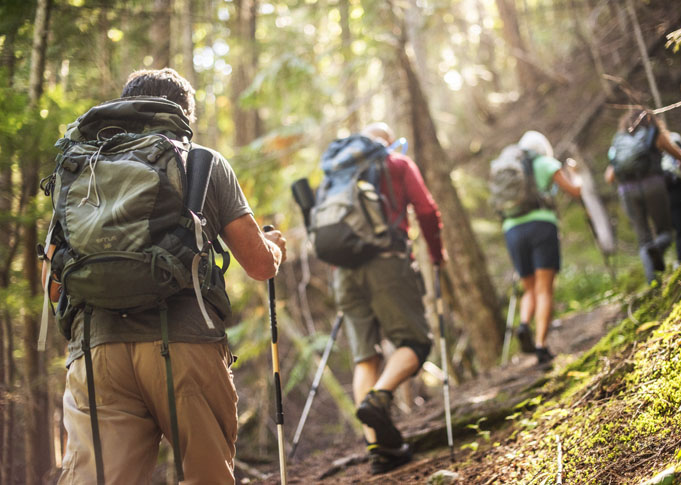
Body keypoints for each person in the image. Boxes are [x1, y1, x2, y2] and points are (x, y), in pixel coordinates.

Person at [43, 68, 287, 483]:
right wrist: (276, 248)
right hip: (184, 344)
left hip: (96, 348)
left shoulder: (82, 168)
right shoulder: (201, 161)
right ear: (185, 116)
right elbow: (259, 265)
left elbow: (52, 277)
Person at [332, 122, 444, 474]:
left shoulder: (340, 170)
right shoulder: (397, 164)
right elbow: (426, 210)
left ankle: (379, 449)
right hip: (388, 263)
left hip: (345, 270)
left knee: (366, 357)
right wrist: (437, 255)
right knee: (416, 342)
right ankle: (380, 399)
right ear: (389, 143)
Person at [497, 131, 582, 365]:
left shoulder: (512, 167)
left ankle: (524, 324)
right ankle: (541, 346)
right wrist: (574, 174)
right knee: (545, 288)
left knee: (529, 288)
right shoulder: (546, 163)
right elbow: (574, 191)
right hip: (541, 226)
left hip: (512, 229)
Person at [604, 110, 681, 284]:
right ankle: (656, 248)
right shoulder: (654, 133)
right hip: (654, 184)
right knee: (665, 232)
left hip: (627, 191)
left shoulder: (619, 141)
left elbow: (609, 177)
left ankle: (653, 284)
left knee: (643, 239)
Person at [660, 132, 681, 263]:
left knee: (672, 229)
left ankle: (677, 259)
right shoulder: (673, 138)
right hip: (676, 187)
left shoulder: (648, 144)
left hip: (658, 190)